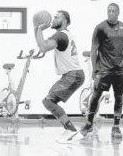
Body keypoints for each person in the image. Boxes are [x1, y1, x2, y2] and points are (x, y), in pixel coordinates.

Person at [61, 3, 123, 143]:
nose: (111, 13)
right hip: (104, 69)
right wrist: (95, 70)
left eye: (114, 11)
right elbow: (94, 50)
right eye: (109, 11)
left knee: (119, 98)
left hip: (120, 70)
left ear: (118, 12)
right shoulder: (100, 28)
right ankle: (89, 124)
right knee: (95, 96)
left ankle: (116, 127)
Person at [34, 10, 85, 141]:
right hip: (73, 75)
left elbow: (43, 47)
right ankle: (70, 130)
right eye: (54, 17)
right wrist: (37, 30)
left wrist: (38, 28)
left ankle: (71, 131)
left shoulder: (61, 36)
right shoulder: (62, 35)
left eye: (57, 17)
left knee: (48, 101)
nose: (53, 18)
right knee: (49, 101)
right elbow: (42, 46)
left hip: (73, 75)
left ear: (65, 21)